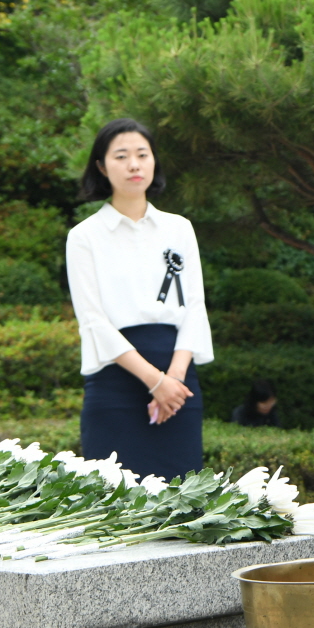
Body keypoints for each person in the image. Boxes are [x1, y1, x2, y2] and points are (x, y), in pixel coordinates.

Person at [66, 119, 212, 482]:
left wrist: (172, 382)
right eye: (121, 156)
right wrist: (154, 382)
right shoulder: (84, 236)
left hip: (178, 383)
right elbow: (93, 320)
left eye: (142, 155)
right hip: (115, 381)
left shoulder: (179, 228)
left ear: (153, 162)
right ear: (101, 166)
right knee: (114, 507)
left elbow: (195, 306)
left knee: (182, 504)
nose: (134, 164)